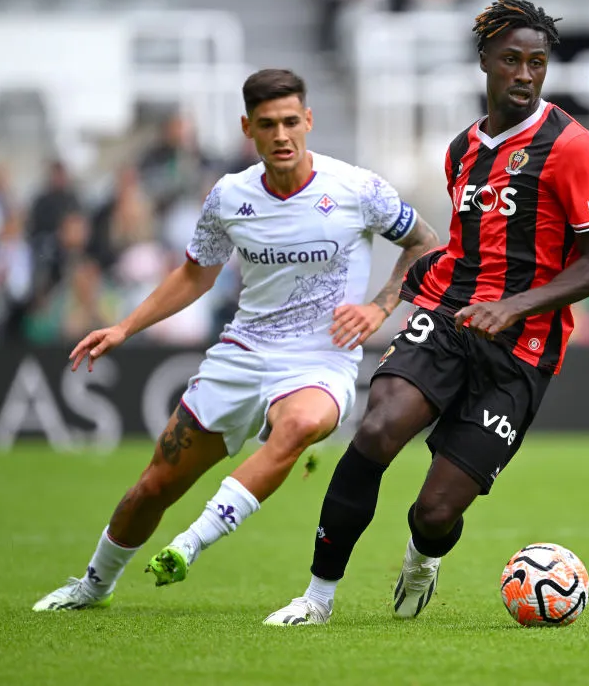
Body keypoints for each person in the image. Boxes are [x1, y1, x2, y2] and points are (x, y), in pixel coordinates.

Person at [266, 0, 589, 626]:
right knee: (376, 432)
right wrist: (394, 297)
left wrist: (515, 306)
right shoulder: (462, 149)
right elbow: (460, 250)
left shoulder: (573, 148)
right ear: (483, 61)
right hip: (451, 320)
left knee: (433, 513)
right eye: (511, 60)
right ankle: (317, 598)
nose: (524, 75)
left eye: (537, 63)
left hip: (522, 349)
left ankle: (422, 560)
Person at [31, 68, 439, 611]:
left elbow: (424, 242)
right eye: (268, 124)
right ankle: (93, 585)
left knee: (299, 426)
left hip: (320, 358)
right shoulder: (230, 196)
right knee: (154, 485)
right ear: (248, 128)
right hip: (243, 353)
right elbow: (196, 273)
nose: (282, 135)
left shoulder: (357, 189)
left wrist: (381, 305)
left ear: (309, 120)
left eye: (291, 121)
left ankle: (190, 543)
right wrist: (125, 326)